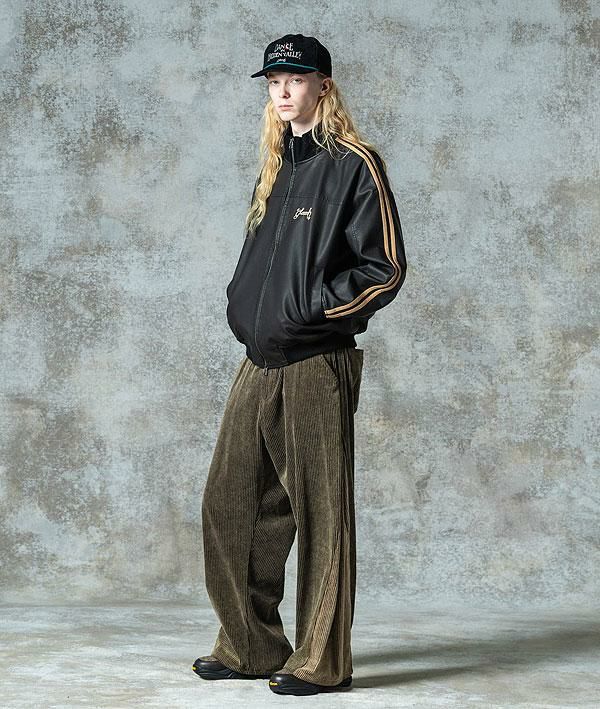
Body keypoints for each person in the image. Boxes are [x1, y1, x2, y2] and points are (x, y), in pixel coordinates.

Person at [192, 34, 407, 697]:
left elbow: (384, 268)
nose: (282, 91)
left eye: (295, 79)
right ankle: (251, 646)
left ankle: (321, 661)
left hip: (316, 361)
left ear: (323, 86)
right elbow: (257, 267)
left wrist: (311, 310)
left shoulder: (354, 165)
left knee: (321, 516)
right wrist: (244, 308)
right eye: (273, 81)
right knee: (230, 505)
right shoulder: (278, 165)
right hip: (258, 361)